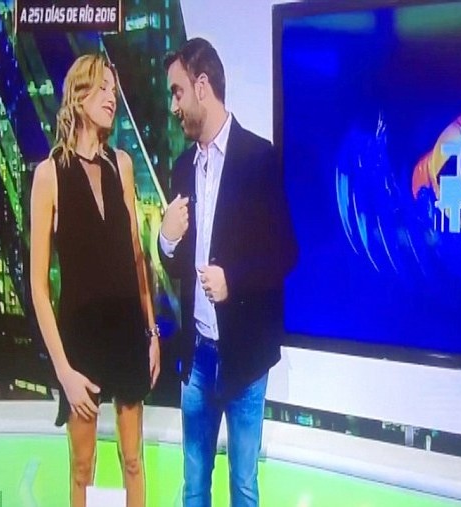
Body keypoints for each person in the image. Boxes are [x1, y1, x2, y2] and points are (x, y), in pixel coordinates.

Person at [158, 38, 297, 506]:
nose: (174, 106)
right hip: (197, 358)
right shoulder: (182, 167)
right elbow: (176, 263)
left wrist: (232, 280)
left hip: (246, 361)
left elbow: (285, 253)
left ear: (202, 86)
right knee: (194, 485)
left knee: (243, 486)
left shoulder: (259, 159)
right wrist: (166, 240)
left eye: (177, 92)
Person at [30, 53, 160, 507]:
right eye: (103, 88)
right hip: (80, 343)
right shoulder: (48, 176)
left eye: (114, 91)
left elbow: (137, 258)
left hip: (128, 333)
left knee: (133, 460)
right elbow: (38, 288)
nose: (111, 98)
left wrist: (152, 332)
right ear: (79, 95)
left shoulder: (121, 164)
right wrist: (63, 372)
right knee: (82, 468)